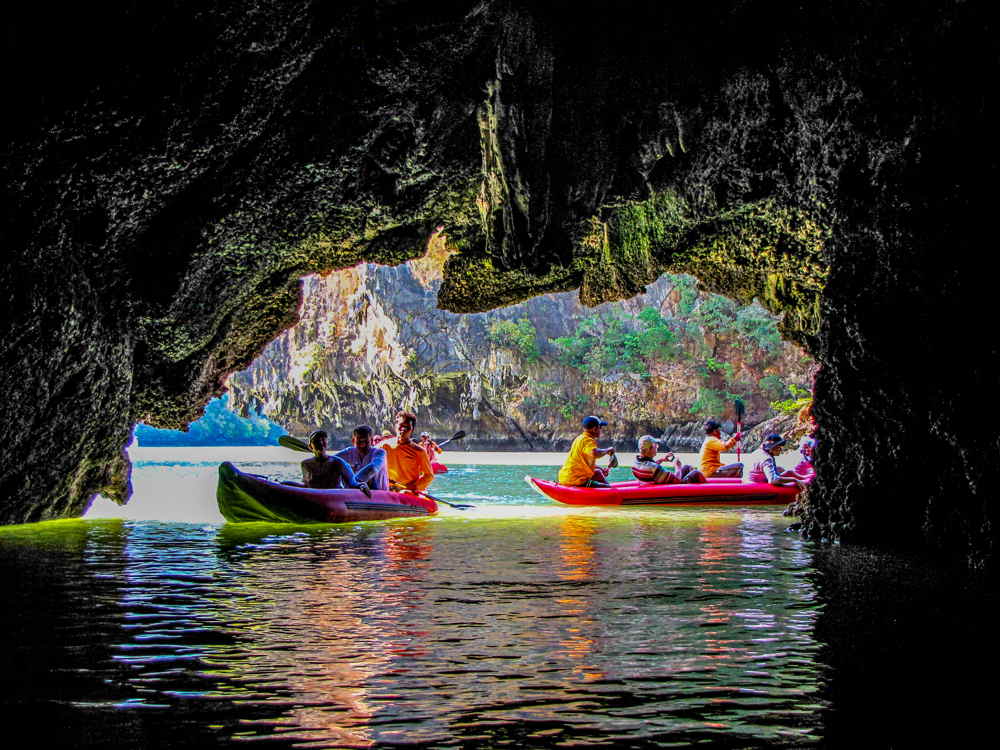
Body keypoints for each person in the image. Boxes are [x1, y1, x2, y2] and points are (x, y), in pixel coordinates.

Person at [301, 430, 371, 495]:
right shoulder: (305, 464)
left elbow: (353, 483)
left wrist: (362, 485)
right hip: (314, 496)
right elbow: (306, 484)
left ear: (327, 443)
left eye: (323, 440)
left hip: (334, 497)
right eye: (317, 441)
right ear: (310, 446)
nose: (320, 443)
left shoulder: (338, 462)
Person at [382, 411, 435, 493]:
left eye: (407, 427)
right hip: (388, 490)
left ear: (412, 429)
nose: (403, 429)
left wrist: (410, 488)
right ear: (395, 426)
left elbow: (429, 476)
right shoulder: (383, 446)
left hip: (409, 491)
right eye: (401, 426)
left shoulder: (419, 451)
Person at [557, 416, 616, 487]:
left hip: (566, 477)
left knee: (598, 472)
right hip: (575, 480)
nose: (601, 430)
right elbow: (594, 453)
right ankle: (611, 490)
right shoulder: (587, 440)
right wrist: (608, 450)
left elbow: (582, 463)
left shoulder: (580, 438)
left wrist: (600, 469)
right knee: (608, 489)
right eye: (600, 428)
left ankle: (609, 487)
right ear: (595, 429)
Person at [631, 435, 706, 484]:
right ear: (649, 449)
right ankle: (708, 492)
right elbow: (677, 481)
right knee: (696, 473)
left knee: (686, 467)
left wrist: (662, 460)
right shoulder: (655, 468)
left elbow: (647, 466)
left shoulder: (635, 464)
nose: (657, 447)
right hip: (672, 490)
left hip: (652, 483)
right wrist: (677, 466)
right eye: (655, 446)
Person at [335, 425, 389, 491]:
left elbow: (373, 468)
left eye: (366, 442)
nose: (362, 445)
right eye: (359, 442)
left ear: (372, 441)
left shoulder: (380, 453)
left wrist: (353, 483)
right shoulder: (348, 453)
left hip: (380, 497)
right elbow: (331, 460)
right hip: (356, 495)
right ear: (353, 441)